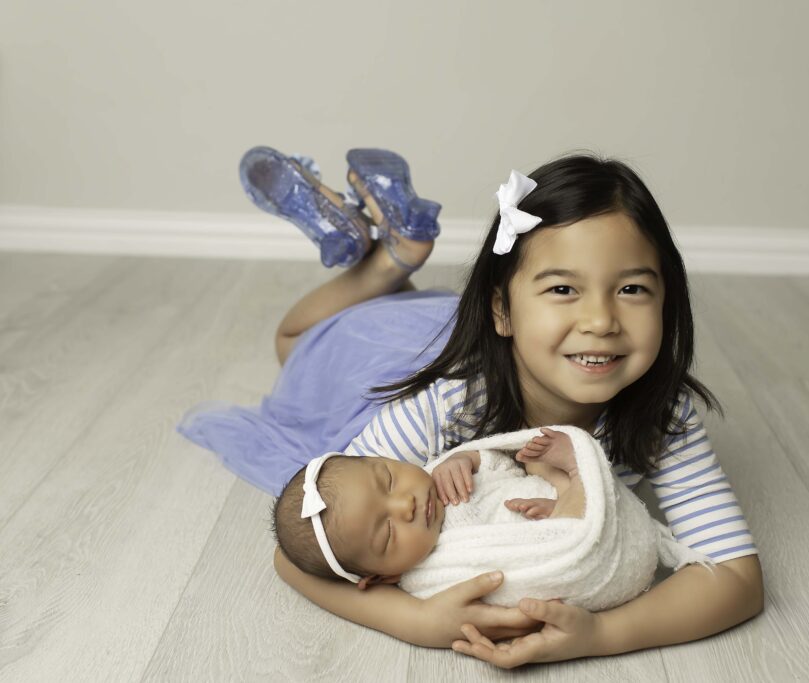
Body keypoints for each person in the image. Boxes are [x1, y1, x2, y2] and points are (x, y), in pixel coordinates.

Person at [178, 147, 763, 668]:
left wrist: (603, 634)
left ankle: (392, 257)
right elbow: (292, 557)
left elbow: (737, 579)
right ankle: (388, 262)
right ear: (502, 312)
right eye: (563, 289)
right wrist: (417, 621)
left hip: (499, 343)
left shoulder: (664, 414)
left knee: (364, 334)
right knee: (299, 347)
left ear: (669, 297)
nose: (601, 321)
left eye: (632, 289)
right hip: (395, 371)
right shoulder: (450, 403)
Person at [271, 427, 585, 592]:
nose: (405, 504)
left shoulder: (437, 472)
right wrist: (551, 520)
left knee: (535, 456)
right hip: (560, 532)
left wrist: (465, 459)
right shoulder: (433, 575)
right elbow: (516, 576)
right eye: (389, 531)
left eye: (390, 480)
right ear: (385, 577)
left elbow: (502, 464)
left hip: (550, 488)